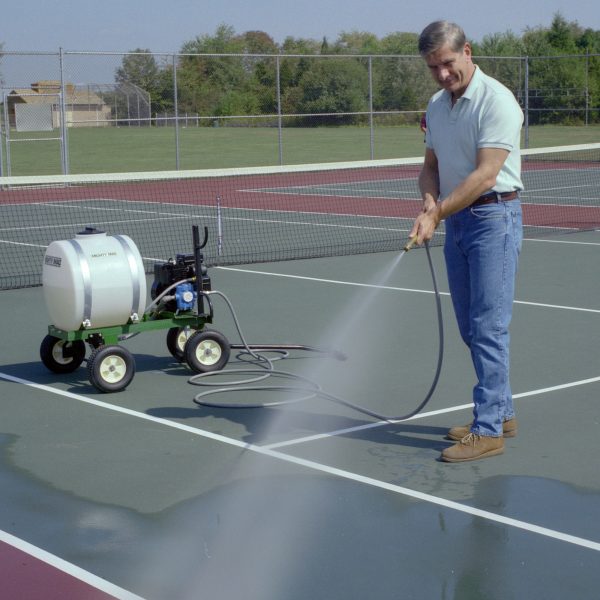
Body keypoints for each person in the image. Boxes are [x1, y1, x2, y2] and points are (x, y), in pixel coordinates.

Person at [409, 20, 524, 462]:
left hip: (494, 218)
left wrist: (437, 212)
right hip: (457, 222)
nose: (441, 74)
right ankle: (502, 411)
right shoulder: (437, 106)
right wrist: (428, 203)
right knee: (470, 327)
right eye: (433, 67)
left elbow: (485, 174)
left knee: (489, 327)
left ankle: (489, 429)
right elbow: (430, 167)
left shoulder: (497, 101)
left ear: (467, 52)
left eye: (447, 63)